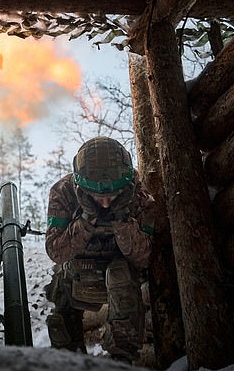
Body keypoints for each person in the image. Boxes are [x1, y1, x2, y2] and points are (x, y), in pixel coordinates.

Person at [44, 136, 154, 363]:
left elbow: (145, 258)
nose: (105, 203)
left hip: (122, 271)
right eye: (97, 196)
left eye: (111, 196)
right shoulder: (63, 192)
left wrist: (122, 223)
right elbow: (56, 251)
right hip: (78, 270)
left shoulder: (139, 195)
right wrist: (85, 221)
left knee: (120, 276)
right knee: (61, 292)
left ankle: (121, 360)